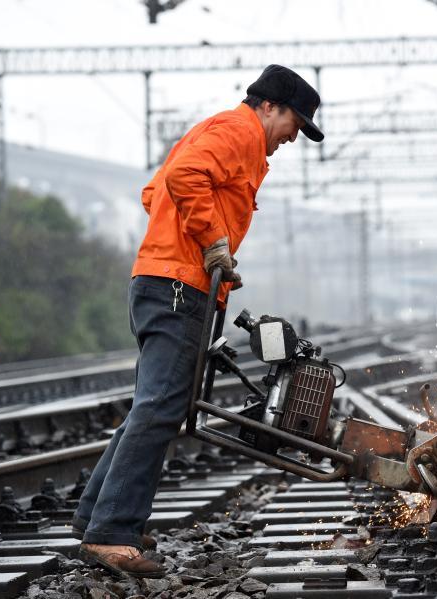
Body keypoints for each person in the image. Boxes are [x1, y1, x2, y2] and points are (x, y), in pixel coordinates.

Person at [71, 65, 324, 578]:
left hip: (165, 280)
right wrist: (210, 242)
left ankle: (95, 517)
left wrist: (188, 239)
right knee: (161, 407)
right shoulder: (238, 131)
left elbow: (155, 192)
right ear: (269, 106)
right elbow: (183, 179)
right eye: (295, 123)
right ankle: (111, 532)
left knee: (153, 405)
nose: (294, 136)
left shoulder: (217, 130)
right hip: (178, 288)